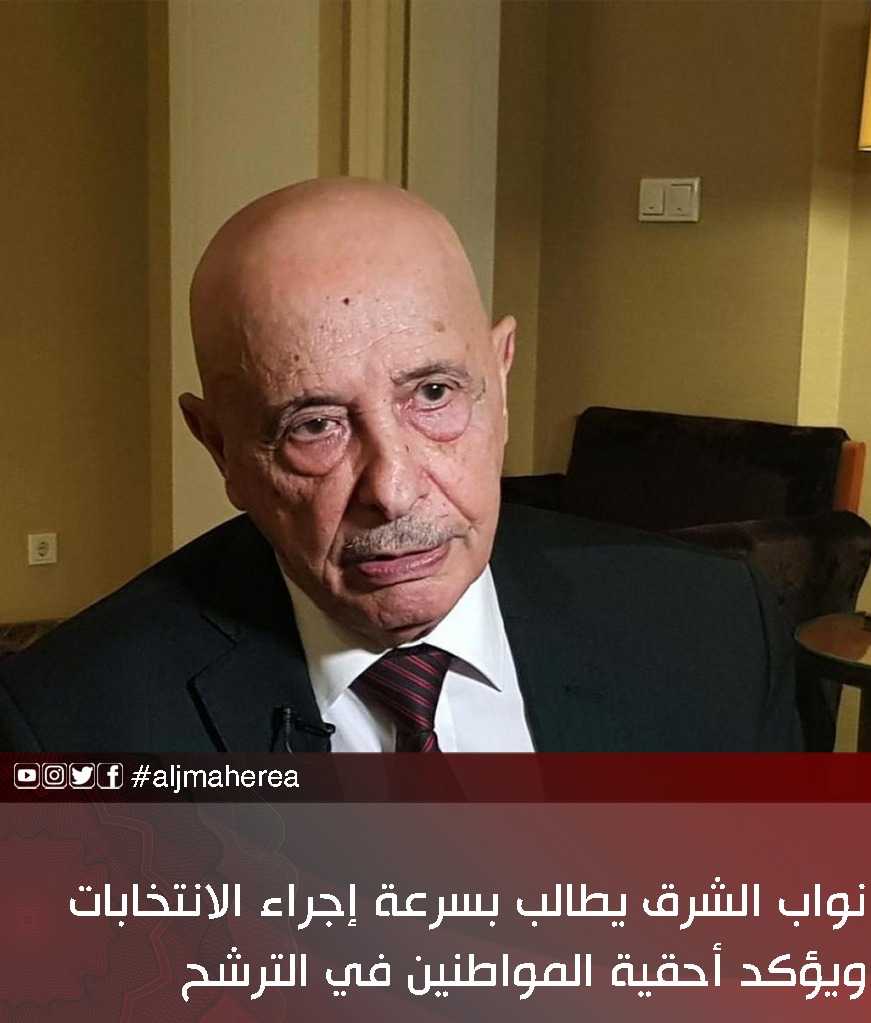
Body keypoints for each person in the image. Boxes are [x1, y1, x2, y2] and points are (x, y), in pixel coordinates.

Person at [0, 179, 802, 752]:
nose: (392, 490)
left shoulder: (713, 629)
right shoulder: (69, 726)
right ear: (220, 447)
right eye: (314, 425)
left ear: (501, 379)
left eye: (433, 394)